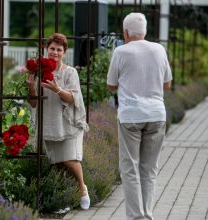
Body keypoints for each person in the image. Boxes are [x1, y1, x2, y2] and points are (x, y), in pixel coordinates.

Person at [107, 13, 172, 220]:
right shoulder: (159, 49)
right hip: (156, 114)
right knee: (149, 168)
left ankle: (137, 217)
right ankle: (147, 214)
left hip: (131, 116)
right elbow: (167, 84)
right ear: (144, 32)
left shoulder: (120, 52)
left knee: (130, 168)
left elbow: (110, 85)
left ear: (126, 33)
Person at [26, 33, 90, 210]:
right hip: (49, 123)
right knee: (57, 164)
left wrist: (57, 89)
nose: (55, 52)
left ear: (64, 52)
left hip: (67, 123)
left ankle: (82, 188)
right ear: (46, 50)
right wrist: (31, 87)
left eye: (59, 49)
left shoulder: (70, 72)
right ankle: (63, 199)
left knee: (70, 160)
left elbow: (73, 99)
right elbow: (32, 103)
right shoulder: (38, 72)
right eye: (52, 48)